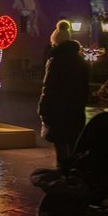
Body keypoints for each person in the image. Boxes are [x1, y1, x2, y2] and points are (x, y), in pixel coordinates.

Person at [38, 21, 89, 167]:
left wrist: (43, 107)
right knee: (74, 145)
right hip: (75, 111)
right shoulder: (80, 60)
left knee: (61, 148)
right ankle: (73, 175)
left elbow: (48, 87)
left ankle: (63, 177)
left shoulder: (55, 60)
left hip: (57, 110)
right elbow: (84, 88)